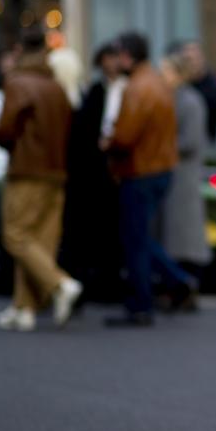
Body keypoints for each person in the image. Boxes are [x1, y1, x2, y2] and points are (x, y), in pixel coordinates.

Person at [101, 32, 194, 327]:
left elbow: (125, 136)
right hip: (157, 168)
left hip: (141, 170)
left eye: (119, 56)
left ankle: (145, 303)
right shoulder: (155, 82)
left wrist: (108, 142)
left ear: (127, 56)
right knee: (139, 237)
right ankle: (176, 282)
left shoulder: (139, 87)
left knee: (135, 239)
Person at [0, 29, 82, 331]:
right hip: (55, 171)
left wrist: (11, 146)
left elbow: (6, 130)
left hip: (27, 169)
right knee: (38, 242)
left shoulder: (18, 83)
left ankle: (59, 285)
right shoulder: (56, 87)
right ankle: (24, 308)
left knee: (16, 235)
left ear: (20, 49)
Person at [61, 44, 125, 300]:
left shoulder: (128, 90)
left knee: (115, 230)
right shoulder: (94, 92)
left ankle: (110, 280)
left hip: (119, 168)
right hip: (94, 173)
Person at [159, 52, 211, 300]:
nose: (162, 76)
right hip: (171, 172)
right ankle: (176, 286)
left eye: (166, 71)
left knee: (184, 233)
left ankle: (186, 284)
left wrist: (160, 145)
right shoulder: (169, 98)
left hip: (184, 175)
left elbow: (190, 140)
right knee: (172, 232)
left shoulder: (190, 101)